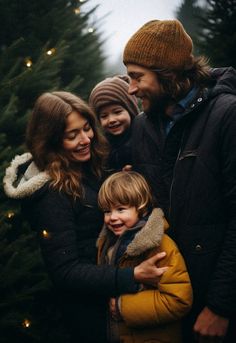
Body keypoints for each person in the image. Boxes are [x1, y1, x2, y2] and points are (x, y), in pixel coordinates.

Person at [3, 91, 169, 343]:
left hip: (114, 299)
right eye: (72, 135)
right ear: (50, 141)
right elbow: (66, 272)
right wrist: (131, 276)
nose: (85, 139)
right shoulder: (53, 194)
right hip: (91, 314)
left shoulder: (86, 166)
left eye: (87, 128)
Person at [122, 19, 236, 342]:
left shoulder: (227, 115)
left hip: (214, 306)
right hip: (165, 296)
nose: (130, 88)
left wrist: (221, 306)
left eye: (137, 77)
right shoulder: (143, 126)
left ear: (168, 74)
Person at [97, 170, 193, 343]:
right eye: (106, 211)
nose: (112, 217)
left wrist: (123, 307)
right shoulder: (107, 244)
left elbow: (178, 300)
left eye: (120, 209)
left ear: (141, 209)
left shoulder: (159, 245)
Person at [89, 75, 140, 171]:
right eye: (104, 116)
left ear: (131, 110)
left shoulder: (143, 136)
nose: (111, 120)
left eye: (117, 112)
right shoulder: (101, 146)